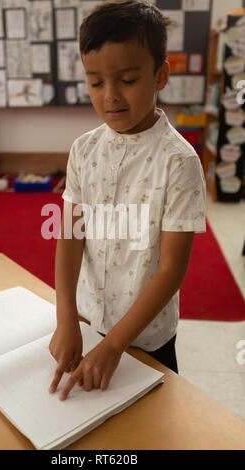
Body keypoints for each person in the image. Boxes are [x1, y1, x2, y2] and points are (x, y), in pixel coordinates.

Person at [48, 0, 206, 401]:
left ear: (160, 76)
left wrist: (116, 344)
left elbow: (171, 268)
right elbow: (69, 235)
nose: (111, 96)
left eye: (129, 80)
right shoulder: (83, 150)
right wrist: (66, 315)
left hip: (147, 336)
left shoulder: (179, 161)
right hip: (88, 318)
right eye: (96, 82)